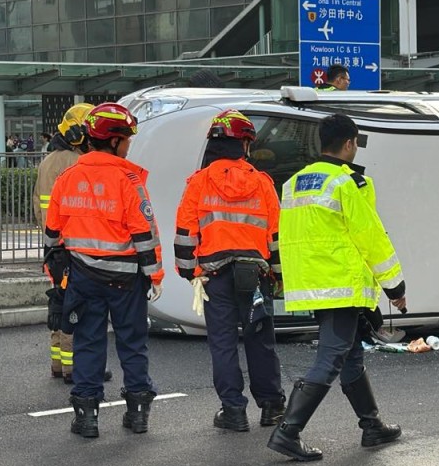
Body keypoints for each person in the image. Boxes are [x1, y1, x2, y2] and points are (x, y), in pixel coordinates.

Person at [267, 113, 405, 461]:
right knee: (330, 358)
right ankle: (288, 432)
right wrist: (394, 286)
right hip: (341, 283)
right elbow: (370, 236)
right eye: (355, 142)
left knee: (350, 354)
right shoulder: (348, 183)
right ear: (349, 143)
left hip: (313, 284)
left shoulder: (295, 182)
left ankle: (371, 425)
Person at [44, 102, 163, 438]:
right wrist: (155, 275)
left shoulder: (68, 178)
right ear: (114, 141)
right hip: (126, 279)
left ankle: (86, 418)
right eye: (126, 138)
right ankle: (138, 414)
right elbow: (145, 234)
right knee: (132, 344)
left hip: (83, 277)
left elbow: (53, 235)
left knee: (87, 344)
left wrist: (57, 272)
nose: (129, 145)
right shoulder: (128, 179)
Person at [174, 109, 285, 432]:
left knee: (222, 344)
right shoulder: (262, 183)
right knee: (260, 341)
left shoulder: (198, 183)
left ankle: (233, 411)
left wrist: (188, 271)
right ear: (245, 144)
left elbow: (185, 232)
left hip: (215, 276)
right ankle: (272, 407)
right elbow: (275, 237)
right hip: (255, 277)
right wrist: (278, 277)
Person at [32, 103, 111, 385]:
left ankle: (58, 363)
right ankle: (75, 367)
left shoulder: (47, 162)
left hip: (52, 246)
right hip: (74, 248)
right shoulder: (78, 165)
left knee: (57, 302)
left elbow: (37, 208)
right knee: (77, 308)